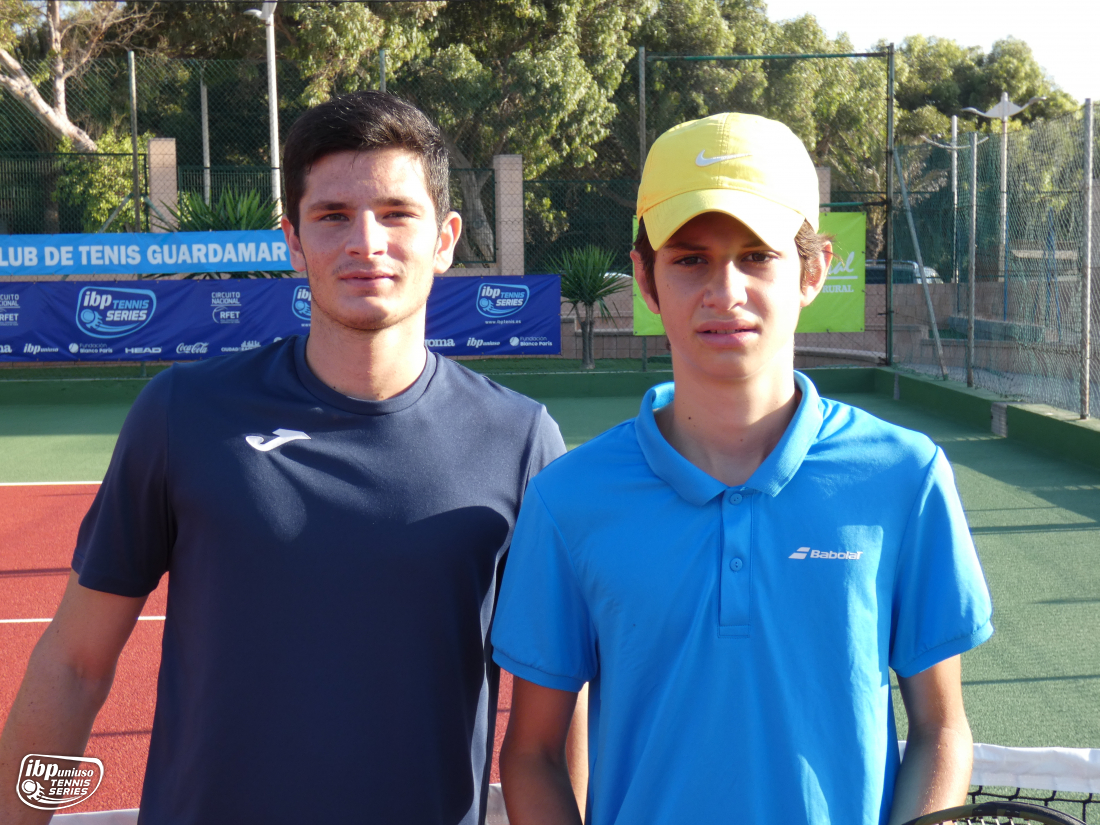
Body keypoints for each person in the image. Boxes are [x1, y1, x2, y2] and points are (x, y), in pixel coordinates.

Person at [0, 91, 568, 825]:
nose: (366, 242)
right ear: (293, 242)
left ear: (445, 238)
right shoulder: (183, 414)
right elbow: (74, 666)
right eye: (333, 215)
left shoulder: (521, 441)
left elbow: (552, 727)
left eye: (397, 213)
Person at [490, 112, 994, 825]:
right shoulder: (568, 499)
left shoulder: (906, 477)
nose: (724, 292)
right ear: (645, 278)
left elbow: (940, 729)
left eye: (757, 256)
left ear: (813, 270)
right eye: (690, 259)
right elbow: (533, 753)